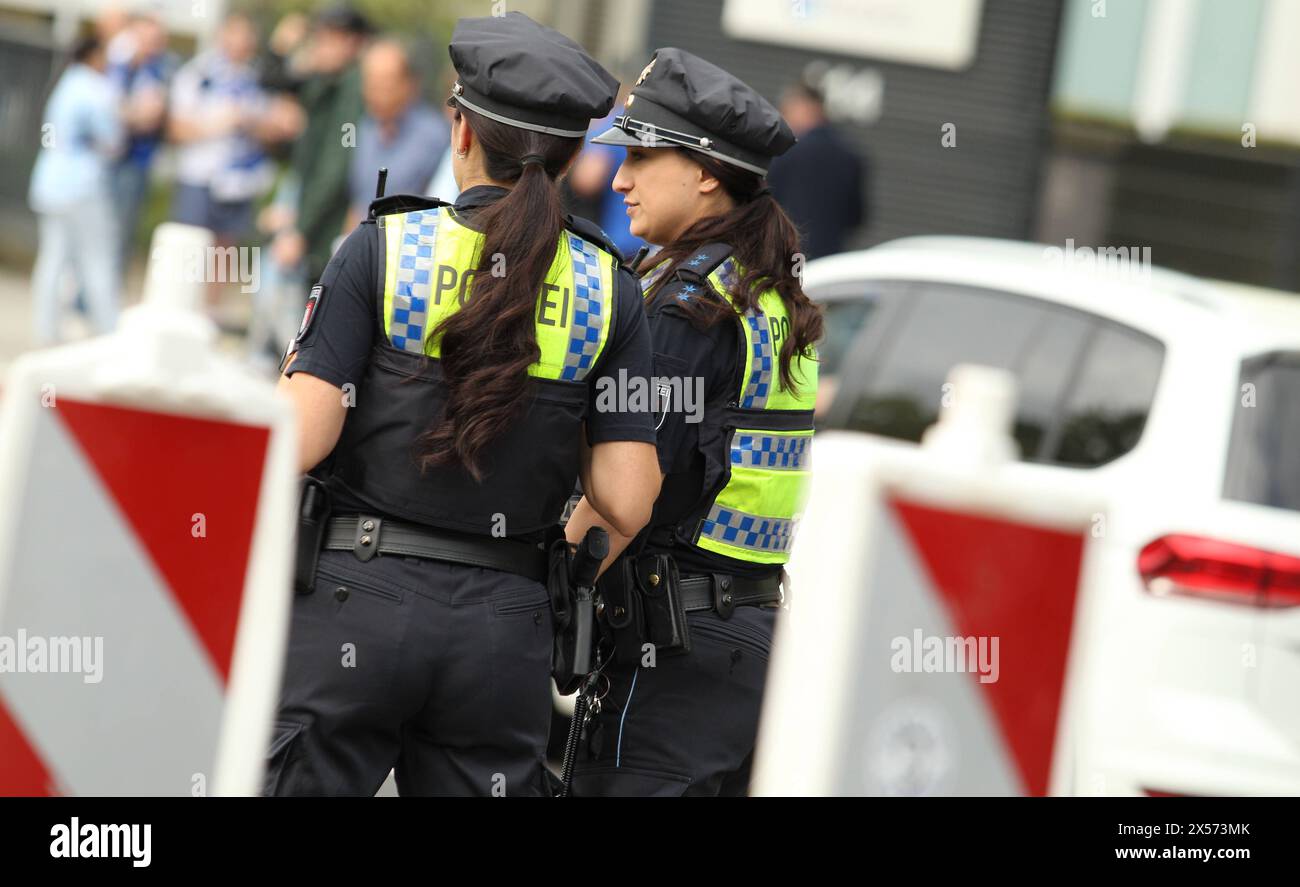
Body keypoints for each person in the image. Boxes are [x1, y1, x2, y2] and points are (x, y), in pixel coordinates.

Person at [265, 11, 661, 797]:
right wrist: (546, 576)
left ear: (462, 131)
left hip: (355, 601)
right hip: (502, 632)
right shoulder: (610, 291)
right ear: (571, 155)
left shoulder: (383, 251)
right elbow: (626, 496)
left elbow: (298, 437)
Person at [564, 48, 823, 796]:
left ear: (706, 172)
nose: (618, 179)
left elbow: (629, 493)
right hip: (748, 638)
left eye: (641, 158)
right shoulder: (767, 293)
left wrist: (541, 600)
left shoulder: (691, 306)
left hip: (672, 652)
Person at [28, 34, 123, 346]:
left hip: (50, 183)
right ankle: (109, 333)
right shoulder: (95, 89)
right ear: (95, 55)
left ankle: (46, 330)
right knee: (96, 259)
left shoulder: (66, 84)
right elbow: (113, 141)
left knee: (53, 258)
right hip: (82, 185)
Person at [272, 5, 369, 285]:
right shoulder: (324, 82)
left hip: (325, 228)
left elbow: (335, 167)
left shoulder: (353, 87)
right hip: (306, 215)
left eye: (328, 39)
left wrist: (300, 229)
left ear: (352, 43)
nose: (318, 47)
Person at [167, 12, 274, 253]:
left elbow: (268, 129)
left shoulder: (255, 78)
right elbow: (176, 130)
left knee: (225, 254)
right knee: (190, 252)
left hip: (239, 183)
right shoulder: (198, 74)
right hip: (200, 178)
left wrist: (255, 123)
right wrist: (219, 123)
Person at [344, 39, 448, 228]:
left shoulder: (434, 137)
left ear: (409, 84)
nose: (376, 93)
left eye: (385, 83)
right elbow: (358, 199)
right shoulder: (362, 129)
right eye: (370, 83)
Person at [107, 12, 176, 276]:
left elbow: (152, 116)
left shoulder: (159, 71)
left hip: (134, 162)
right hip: (109, 161)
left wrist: (131, 114)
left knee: (122, 229)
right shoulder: (118, 66)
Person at [767, 80, 866, 259]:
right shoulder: (850, 153)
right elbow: (856, 217)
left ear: (803, 108)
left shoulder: (785, 152)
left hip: (786, 256)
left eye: (786, 111)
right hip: (829, 260)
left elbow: (766, 202)